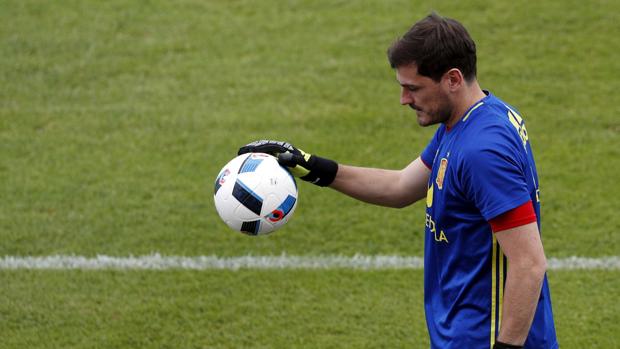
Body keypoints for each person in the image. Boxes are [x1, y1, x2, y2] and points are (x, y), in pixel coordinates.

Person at [238, 13, 558, 349]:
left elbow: (529, 262)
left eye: (413, 88)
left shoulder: (482, 151)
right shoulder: (468, 122)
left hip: (486, 337)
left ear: (452, 79)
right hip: (467, 331)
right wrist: (311, 166)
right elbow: (402, 186)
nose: (404, 100)